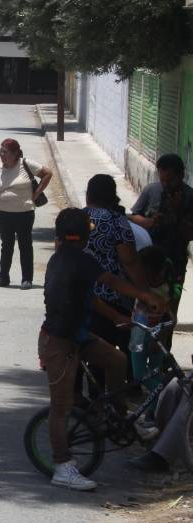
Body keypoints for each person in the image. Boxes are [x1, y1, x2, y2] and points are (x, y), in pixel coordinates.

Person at [38, 208, 166, 491]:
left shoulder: (65, 259)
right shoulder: (78, 260)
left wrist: (117, 317)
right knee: (61, 408)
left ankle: (117, 416)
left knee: (117, 361)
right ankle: (62, 466)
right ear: (83, 237)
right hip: (59, 342)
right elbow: (112, 282)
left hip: (79, 337)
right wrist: (146, 295)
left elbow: (89, 297)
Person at [82, 174, 145, 355]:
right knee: (114, 352)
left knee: (86, 350)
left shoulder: (74, 218)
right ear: (112, 196)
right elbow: (129, 260)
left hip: (78, 295)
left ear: (89, 195)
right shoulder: (117, 221)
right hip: (112, 298)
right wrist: (145, 293)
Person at [129, 153, 193, 316]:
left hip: (175, 266)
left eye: (170, 180)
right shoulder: (151, 190)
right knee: (142, 309)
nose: (165, 185)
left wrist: (177, 214)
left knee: (169, 311)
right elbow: (132, 216)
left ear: (181, 176)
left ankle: (165, 340)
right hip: (146, 263)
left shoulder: (189, 197)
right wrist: (148, 222)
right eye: (162, 180)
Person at [0, 138, 54, 289]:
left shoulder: (26, 164)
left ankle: (27, 279)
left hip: (24, 213)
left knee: (25, 245)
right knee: (6, 246)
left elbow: (47, 174)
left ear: (15, 153)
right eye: (1, 152)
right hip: (3, 213)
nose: (2, 155)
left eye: (5, 152)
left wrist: (36, 194)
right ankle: (3, 278)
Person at [127, 246, 180, 434]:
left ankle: (154, 411)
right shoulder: (141, 285)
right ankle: (157, 408)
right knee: (141, 375)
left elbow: (171, 318)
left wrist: (163, 338)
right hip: (139, 335)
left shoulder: (166, 288)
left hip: (156, 338)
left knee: (150, 376)